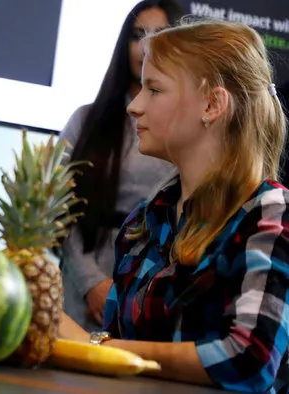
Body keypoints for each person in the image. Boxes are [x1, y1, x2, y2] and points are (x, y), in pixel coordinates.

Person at [59, 19, 289, 393]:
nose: (135, 106)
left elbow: (250, 357)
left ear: (212, 104)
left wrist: (103, 348)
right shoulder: (145, 220)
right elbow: (117, 340)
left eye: (154, 89)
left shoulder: (270, 215)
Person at [60, 0, 182, 331]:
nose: (147, 46)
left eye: (160, 34)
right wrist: (91, 284)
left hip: (155, 286)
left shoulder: (186, 129)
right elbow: (57, 209)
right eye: (138, 34)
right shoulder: (86, 120)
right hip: (81, 280)